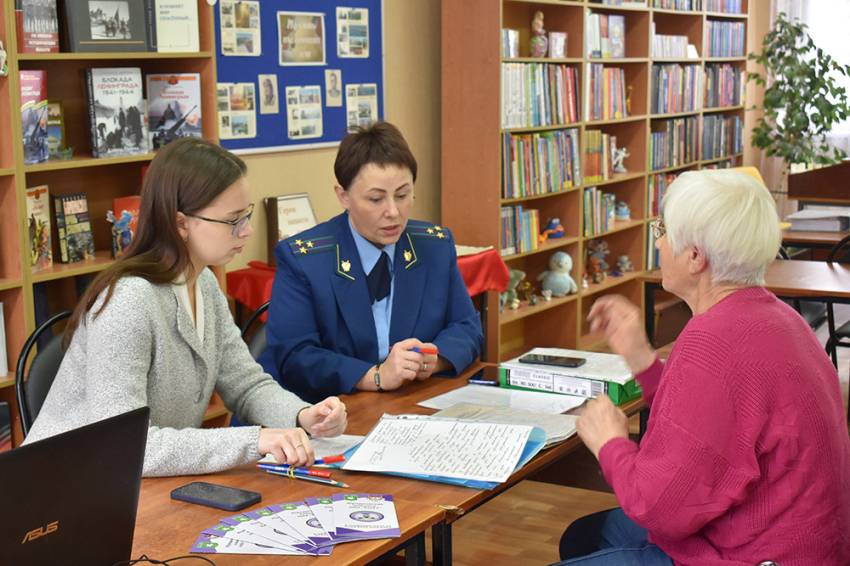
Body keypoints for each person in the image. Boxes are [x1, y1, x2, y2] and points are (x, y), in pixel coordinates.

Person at [557, 169, 850, 565]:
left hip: (757, 555)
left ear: (695, 256)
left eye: (663, 230)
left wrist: (610, 442)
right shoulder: (778, 318)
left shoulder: (713, 339)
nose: (658, 241)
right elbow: (707, 429)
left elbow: (657, 506)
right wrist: (642, 358)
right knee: (584, 537)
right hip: (804, 545)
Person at [25, 138, 347, 477]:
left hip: (136, 485)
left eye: (247, 214)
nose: (247, 230)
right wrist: (256, 440)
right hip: (66, 492)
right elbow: (124, 445)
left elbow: (246, 384)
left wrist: (301, 415)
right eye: (233, 220)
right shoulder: (129, 301)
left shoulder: (204, 282)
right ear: (181, 223)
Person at [258, 121, 483, 403]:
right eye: (376, 199)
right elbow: (294, 356)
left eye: (402, 195)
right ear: (343, 196)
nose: (393, 212)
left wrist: (433, 360)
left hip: (409, 403)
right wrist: (376, 376)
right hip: (328, 412)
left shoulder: (433, 246)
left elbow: (467, 327)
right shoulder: (305, 259)